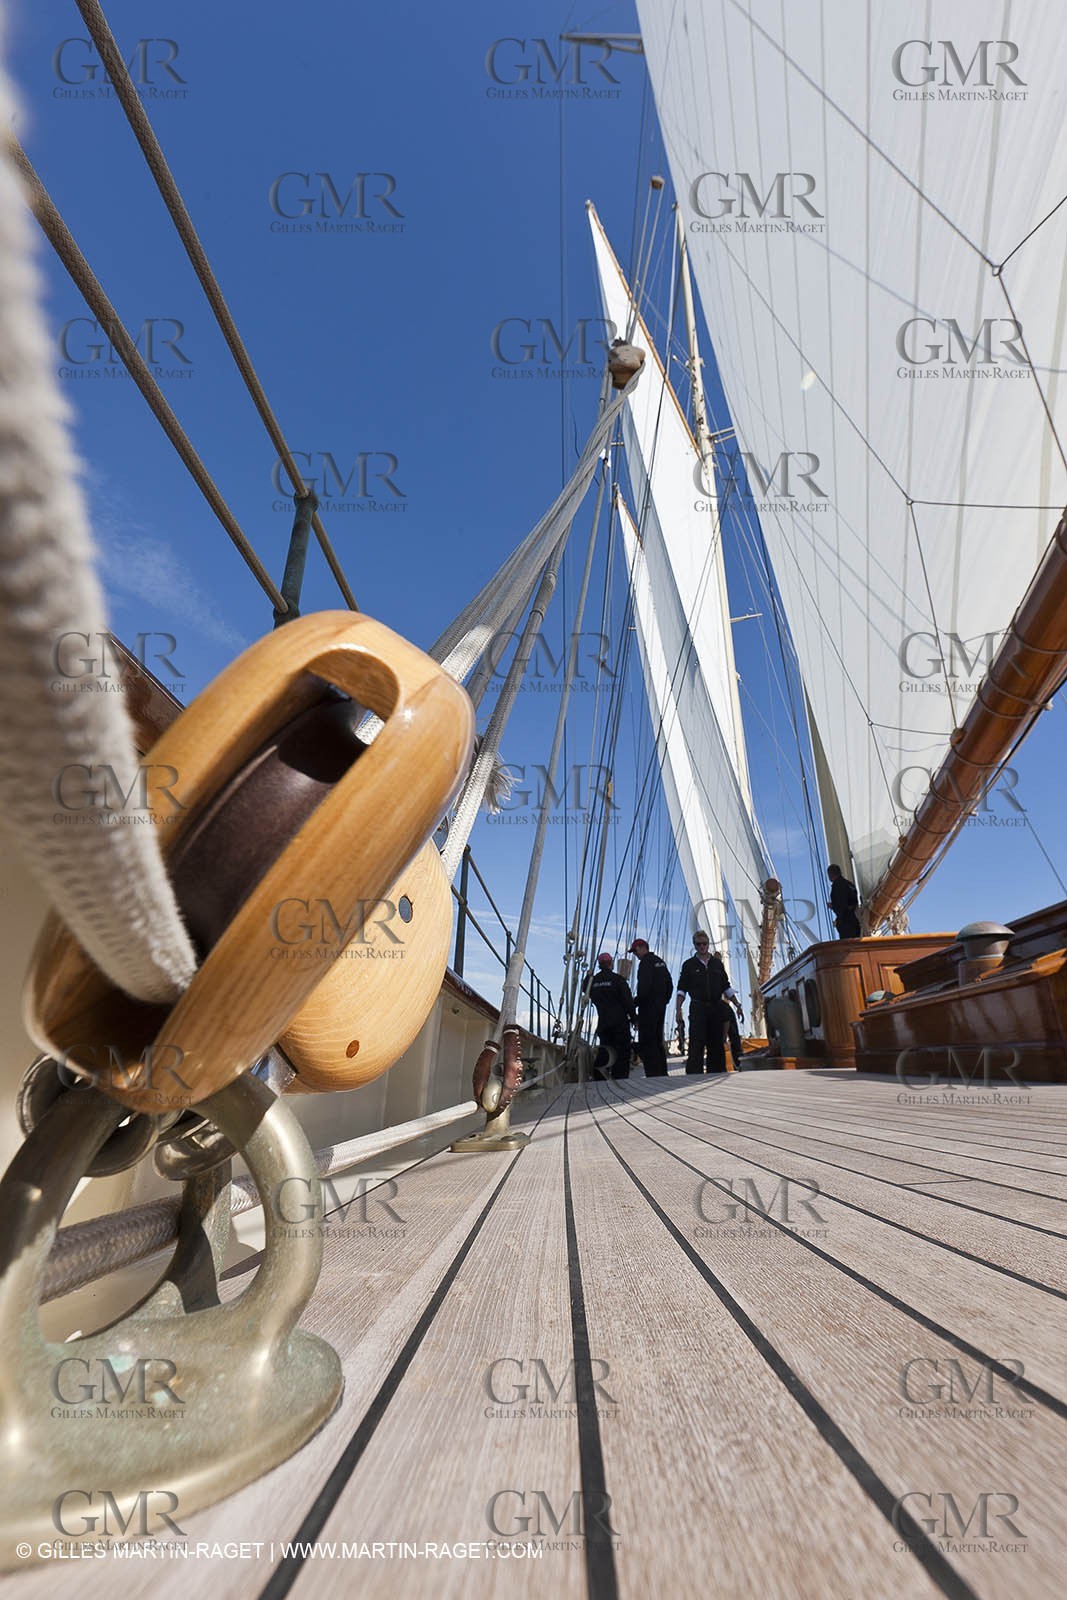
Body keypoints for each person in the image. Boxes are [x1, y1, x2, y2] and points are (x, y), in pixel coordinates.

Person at [675, 931, 732, 1074]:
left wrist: (737, 1004)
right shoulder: (688, 965)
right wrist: (678, 1010)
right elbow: (681, 989)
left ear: (708, 944)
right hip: (698, 1007)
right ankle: (694, 1075)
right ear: (694, 945)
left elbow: (726, 986)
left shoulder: (717, 964)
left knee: (716, 1043)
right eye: (698, 944)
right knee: (696, 1042)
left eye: (704, 944)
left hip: (715, 1007)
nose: (702, 947)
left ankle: (717, 1073)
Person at [627, 938, 674, 1078]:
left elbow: (644, 988)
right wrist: (663, 1001)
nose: (635, 955)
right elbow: (669, 985)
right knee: (658, 1040)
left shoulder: (645, 963)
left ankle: (653, 1075)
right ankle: (662, 1072)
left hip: (648, 1007)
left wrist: (634, 1004)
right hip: (660, 1007)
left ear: (642, 947)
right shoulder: (660, 961)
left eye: (635, 951)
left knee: (647, 1042)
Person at [586, 953, 637, 1079]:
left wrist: (588, 977)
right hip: (620, 1023)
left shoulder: (594, 981)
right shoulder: (618, 980)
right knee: (622, 1053)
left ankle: (599, 1079)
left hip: (603, 1023)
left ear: (599, 964)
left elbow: (585, 989)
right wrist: (635, 1019)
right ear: (611, 963)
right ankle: (620, 1079)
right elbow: (628, 1001)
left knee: (605, 1051)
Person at [827, 864, 861, 939]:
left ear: (831, 874)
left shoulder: (837, 885)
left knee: (848, 946)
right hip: (855, 922)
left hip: (846, 924)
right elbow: (852, 902)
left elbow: (842, 906)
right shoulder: (849, 884)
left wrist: (833, 906)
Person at [718, 982, 745, 1070]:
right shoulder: (725, 1007)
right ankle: (738, 1065)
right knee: (735, 1042)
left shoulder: (721, 1007)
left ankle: (736, 1065)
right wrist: (724, 1039)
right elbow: (727, 1021)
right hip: (730, 1042)